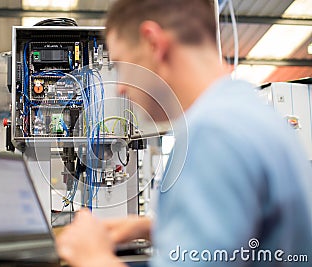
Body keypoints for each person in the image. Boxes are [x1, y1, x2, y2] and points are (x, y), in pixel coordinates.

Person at [56, 0, 312, 266]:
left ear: (153, 43)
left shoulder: (214, 133)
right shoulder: (246, 109)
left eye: (121, 64)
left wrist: (92, 256)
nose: (120, 87)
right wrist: (156, 228)